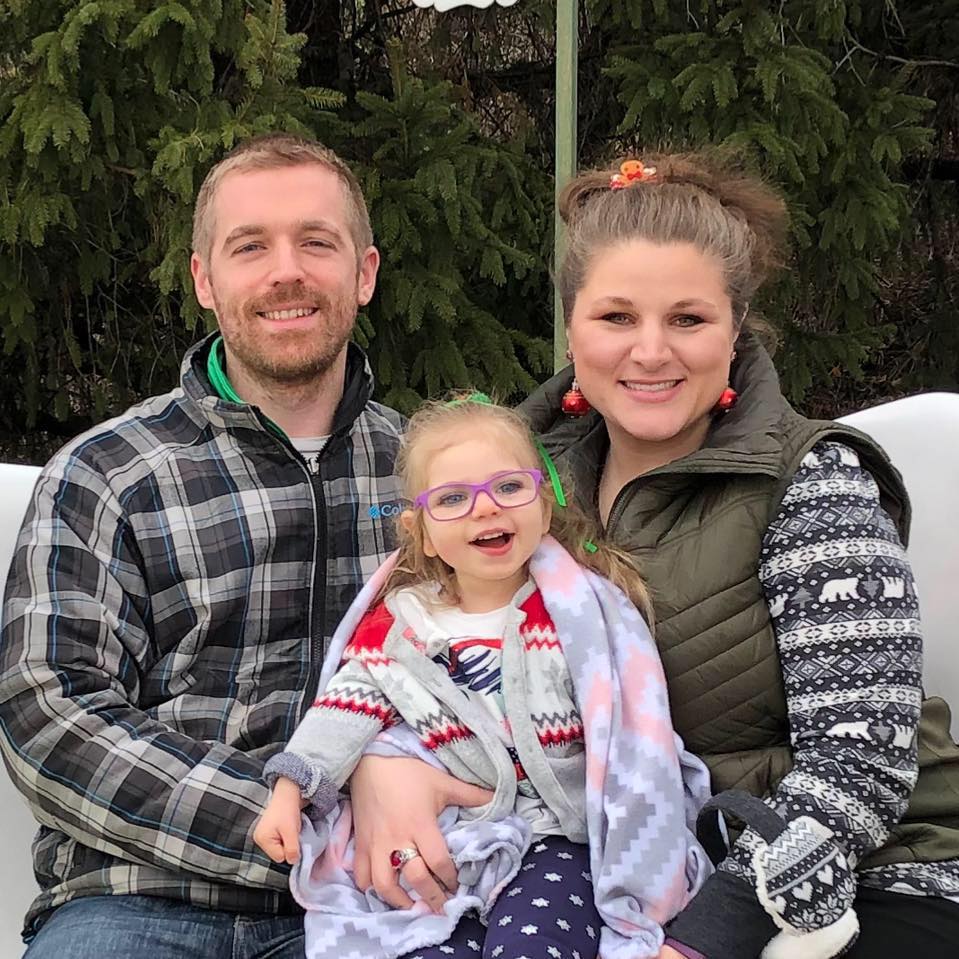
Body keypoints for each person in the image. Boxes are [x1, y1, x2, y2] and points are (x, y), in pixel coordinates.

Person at [347, 153, 959, 959]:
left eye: (686, 319)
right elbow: (412, 643)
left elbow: (860, 761)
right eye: (615, 318)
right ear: (571, 326)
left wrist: (709, 933)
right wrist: (377, 769)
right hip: (615, 874)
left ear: (734, 329)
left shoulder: (806, 482)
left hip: (860, 875)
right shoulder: (517, 486)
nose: (649, 352)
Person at [0, 133, 490, 959]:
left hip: (371, 904)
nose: (285, 271)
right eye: (250, 246)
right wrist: (288, 810)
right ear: (205, 280)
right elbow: (48, 712)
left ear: (363, 273)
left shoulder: (428, 478)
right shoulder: (108, 472)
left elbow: (495, 676)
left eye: (316, 242)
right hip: (138, 898)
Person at [253, 395, 712, 959]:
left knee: (535, 943)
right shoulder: (403, 630)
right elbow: (341, 713)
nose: (486, 509)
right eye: (452, 499)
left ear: (543, 505)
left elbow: (632, 724)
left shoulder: (580, 614)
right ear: (420, 532)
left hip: (558, 838)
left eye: (509, 488)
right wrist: (289, 790)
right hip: (452, 841)